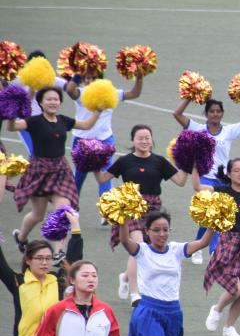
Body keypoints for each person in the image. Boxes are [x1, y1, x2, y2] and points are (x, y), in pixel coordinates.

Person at [117, 210, 211, 336]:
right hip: (149, 312)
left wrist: (214, 222)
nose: (162, 234)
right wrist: (123, 218)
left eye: (165, 229)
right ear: (147, 231)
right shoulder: (142, 251)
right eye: (157, 230)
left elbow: (203, 242)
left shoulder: (176, 249)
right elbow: (125, 240)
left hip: (172, 312)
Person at [99, 124, 191, 304]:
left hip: (153, 209)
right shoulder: (124, 161)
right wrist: (94, 164)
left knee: (146, 249)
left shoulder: (159, 161)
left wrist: (187, 162)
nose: (144, 141)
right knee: (139, 246)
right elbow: (103, 179)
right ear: (133, 141)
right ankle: (135, 293)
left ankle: (126, 276)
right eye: (140, 138)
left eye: (147, 138)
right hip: (131, 205)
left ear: (151, 140)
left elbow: (180, 181)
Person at [7, 86, 100, 249]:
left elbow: (86, 125)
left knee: (62, 212)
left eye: (56, 99)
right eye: (49, 99)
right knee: (38, 215)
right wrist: (10, 113)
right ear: (41, 103)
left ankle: (59, 253)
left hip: (60, 171)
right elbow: (12, 127)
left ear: (60, 102)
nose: (53, 102)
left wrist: (99, 110)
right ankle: (21, 238)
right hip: (39, 171)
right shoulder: (34, 121)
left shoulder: (63, 120)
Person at [172, 97, 240, 263]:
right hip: (205, 178)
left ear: (222, 113)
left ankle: (210, 249)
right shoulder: (198, 129)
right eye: (212, 111)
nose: (215, 114)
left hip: (223, 179)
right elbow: (177, 114)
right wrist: (189, 96)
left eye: (218, 111)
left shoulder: (228, 131)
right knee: (209, 213)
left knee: (221, 214)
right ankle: (201, 248)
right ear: (206, 113)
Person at [201, 158, 240, 336]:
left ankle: (229, 327)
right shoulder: (222, 192)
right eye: (237, 170)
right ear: (229, 174)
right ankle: (217, 309)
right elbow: (198, 188)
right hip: (228, 243)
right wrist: (193, 165)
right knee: (235, 289)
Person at [71, 72, 144, 202]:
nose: (90, 80)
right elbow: (70, 90)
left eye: (93, 78)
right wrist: (77, 73)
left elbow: (134, 94)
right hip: (81, 140)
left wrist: (139, 79)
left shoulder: (111, 93)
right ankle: (70, 206)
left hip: (104, 140)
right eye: (87, 77)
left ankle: (106, 207)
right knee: (79, 175)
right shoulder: (81, 93)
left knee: (106, 174)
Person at [10, 50, 80, 156]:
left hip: (45, 123)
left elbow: (69, 87)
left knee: (44, 153)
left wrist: (79, 72)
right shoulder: (19, 81)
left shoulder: (52, 80)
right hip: (26, 123)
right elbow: (23, 104)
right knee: (35, 153)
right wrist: (32, 87)